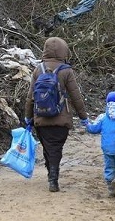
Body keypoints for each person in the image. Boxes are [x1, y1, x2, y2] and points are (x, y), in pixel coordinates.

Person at [24, 37, 88, 192]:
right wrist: (83, 117)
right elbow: (75, 96)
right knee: (55, 149)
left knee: (48, 148)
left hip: (41, 117)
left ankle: (50, 173)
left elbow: (30, 96)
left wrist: (28, 117)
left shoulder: (38, 69)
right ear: (64, 50)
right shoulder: (66, 71)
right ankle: (53, 177)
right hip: (61, 118)